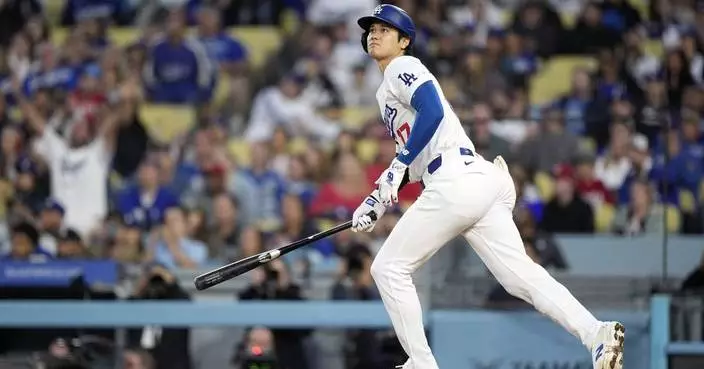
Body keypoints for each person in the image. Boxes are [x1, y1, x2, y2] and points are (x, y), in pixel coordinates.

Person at [349, 5, 624, 369]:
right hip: (474, 178)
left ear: (404, 41)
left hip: (455, 180)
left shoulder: (403, 66)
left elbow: (432, 112)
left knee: (388, 269)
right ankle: (596, 333)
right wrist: (377, 198)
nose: (375, 33)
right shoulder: (388, 89)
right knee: (520, 277)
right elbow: (415, 158)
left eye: (386, 28)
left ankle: (421, 362)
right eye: (372, 28)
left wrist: (397, 167)